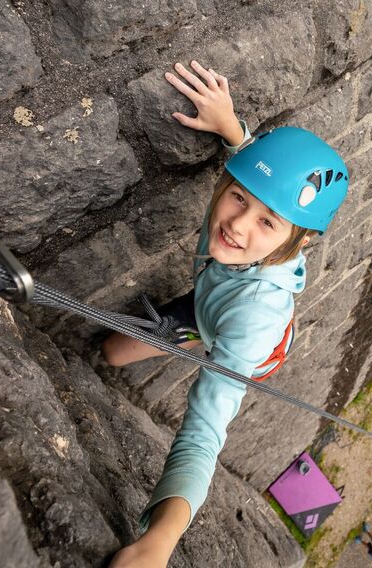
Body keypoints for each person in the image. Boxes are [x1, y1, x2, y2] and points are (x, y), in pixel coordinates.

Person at [106, 61, 349, 567]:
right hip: (209, 303)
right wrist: (231, 127)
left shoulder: (254, 319)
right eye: (237, 197)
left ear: (297, 239)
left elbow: (204, 431)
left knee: (116, 353)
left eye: (267, 222)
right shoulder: (256, 221)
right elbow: (251, 167)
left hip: (235, 336)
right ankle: (187, 331)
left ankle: (191, 338)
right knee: (111, 352)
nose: (237, 226)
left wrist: (159, 541)